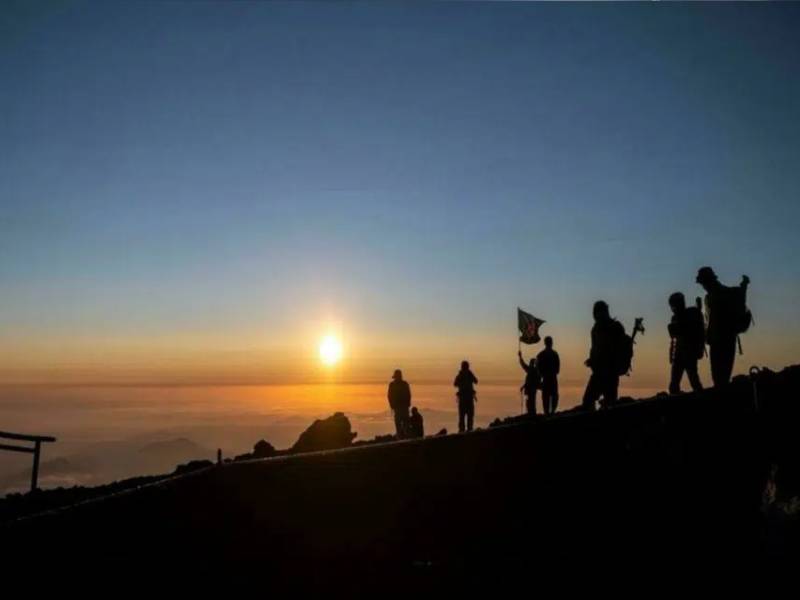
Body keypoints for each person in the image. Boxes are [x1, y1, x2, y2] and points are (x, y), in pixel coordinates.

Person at [696, 267, 751, 387]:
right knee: (720, 378)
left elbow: (713, 321)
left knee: (721, 378)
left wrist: (744, 285)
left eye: (703, 283)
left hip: (724, 340)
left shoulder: (719, 294)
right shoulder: (711, 296)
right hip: (719, 340)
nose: (703, 286)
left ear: (707, 281)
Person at [582, 301, 626, 411]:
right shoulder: (595, 329)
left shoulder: (615, 327)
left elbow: (616, 349)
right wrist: (592, 360)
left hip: (610, 372)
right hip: (599, 372)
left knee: (609, 403)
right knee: (589, 400)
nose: (597, 315)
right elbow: (594, 349)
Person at [667, 292, 704, 394]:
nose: (673, 309)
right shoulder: (677, 318)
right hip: (680, 354)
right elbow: (674, 338)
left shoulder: (692, 313)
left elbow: (697, 332)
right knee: (674, 384)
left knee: (694, 381)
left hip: (689, 353)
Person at [536, 336, 561, 415]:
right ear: (551, 343)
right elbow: (557, 369)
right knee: (553, 396)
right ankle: (551, 412)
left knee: (547, 397)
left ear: (545, 343)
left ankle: (548, 413)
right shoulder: (554, 354)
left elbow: (538, 368)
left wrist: (541, 375)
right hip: (552, 378)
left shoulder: (541, 355)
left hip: (547, 378)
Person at [453, 360, 478, 432]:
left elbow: (455, 384)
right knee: (468, 417)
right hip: (467, 399)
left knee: (463, 417)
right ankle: (467, 430)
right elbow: (476, 381)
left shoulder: (462, 375)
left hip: (464, 399)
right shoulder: (466, 375)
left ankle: (463, 431)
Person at [387, 369, 411, 438]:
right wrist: (408, 404)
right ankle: (405, 437)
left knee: (399, 424)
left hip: (398, 408)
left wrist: (392, 405)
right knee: (405, 424)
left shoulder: (392, 385)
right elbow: (408, 395)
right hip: (403, 408)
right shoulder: (404, 384)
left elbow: (389, 396)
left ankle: (401, 437)